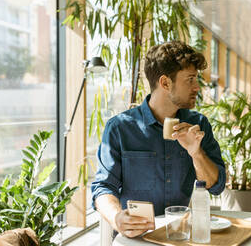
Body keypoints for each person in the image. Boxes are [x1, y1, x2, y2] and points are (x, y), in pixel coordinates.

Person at [91, 41, 226, 238]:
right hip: (135, 240)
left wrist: (196, 153)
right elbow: (103, 187)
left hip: (180, 237)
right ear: (165, 83)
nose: (197, 87)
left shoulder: (199, 125)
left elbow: (217, 185)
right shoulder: (120, 128)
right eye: (190, 80)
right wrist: (116, 217)